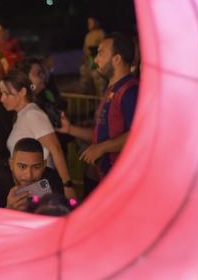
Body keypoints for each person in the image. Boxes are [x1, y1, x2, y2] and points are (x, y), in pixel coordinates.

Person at [58, 32, 138, 191]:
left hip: (119, 181)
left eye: (101, 53)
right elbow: (100, 135)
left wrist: (101, 148)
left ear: (116, 58)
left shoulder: (130, 91)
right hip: (102, 176)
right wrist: (70, 129)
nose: (95, 60)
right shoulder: (112, 90)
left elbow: (138, 135)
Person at [0, 69, 76, 201]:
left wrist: (67, 185)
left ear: (22, 92)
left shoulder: (33, 114)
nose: (2, 99)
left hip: (39, 185)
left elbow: (55, 149)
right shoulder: (22, 114)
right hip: (29, 183)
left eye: (7, 94)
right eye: (1, 93)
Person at [0, 137, 72, 215]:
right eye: (22, 166)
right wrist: (8, 210)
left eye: (36, 167)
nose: (29, 175)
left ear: (44, 165)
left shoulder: (52, 179)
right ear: (11, 164)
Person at [80, 16, 106, 95]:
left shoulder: (101, 33)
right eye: (88, 23)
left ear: (96, 23)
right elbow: (85, 49)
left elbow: (104, 47)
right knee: (86, 82)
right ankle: (90, 101)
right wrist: (83, 60)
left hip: (97, 61)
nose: (89, 24)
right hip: (88, 61)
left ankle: (101, 100)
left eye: (90, 22)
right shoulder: (88, 35)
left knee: (98, 80)